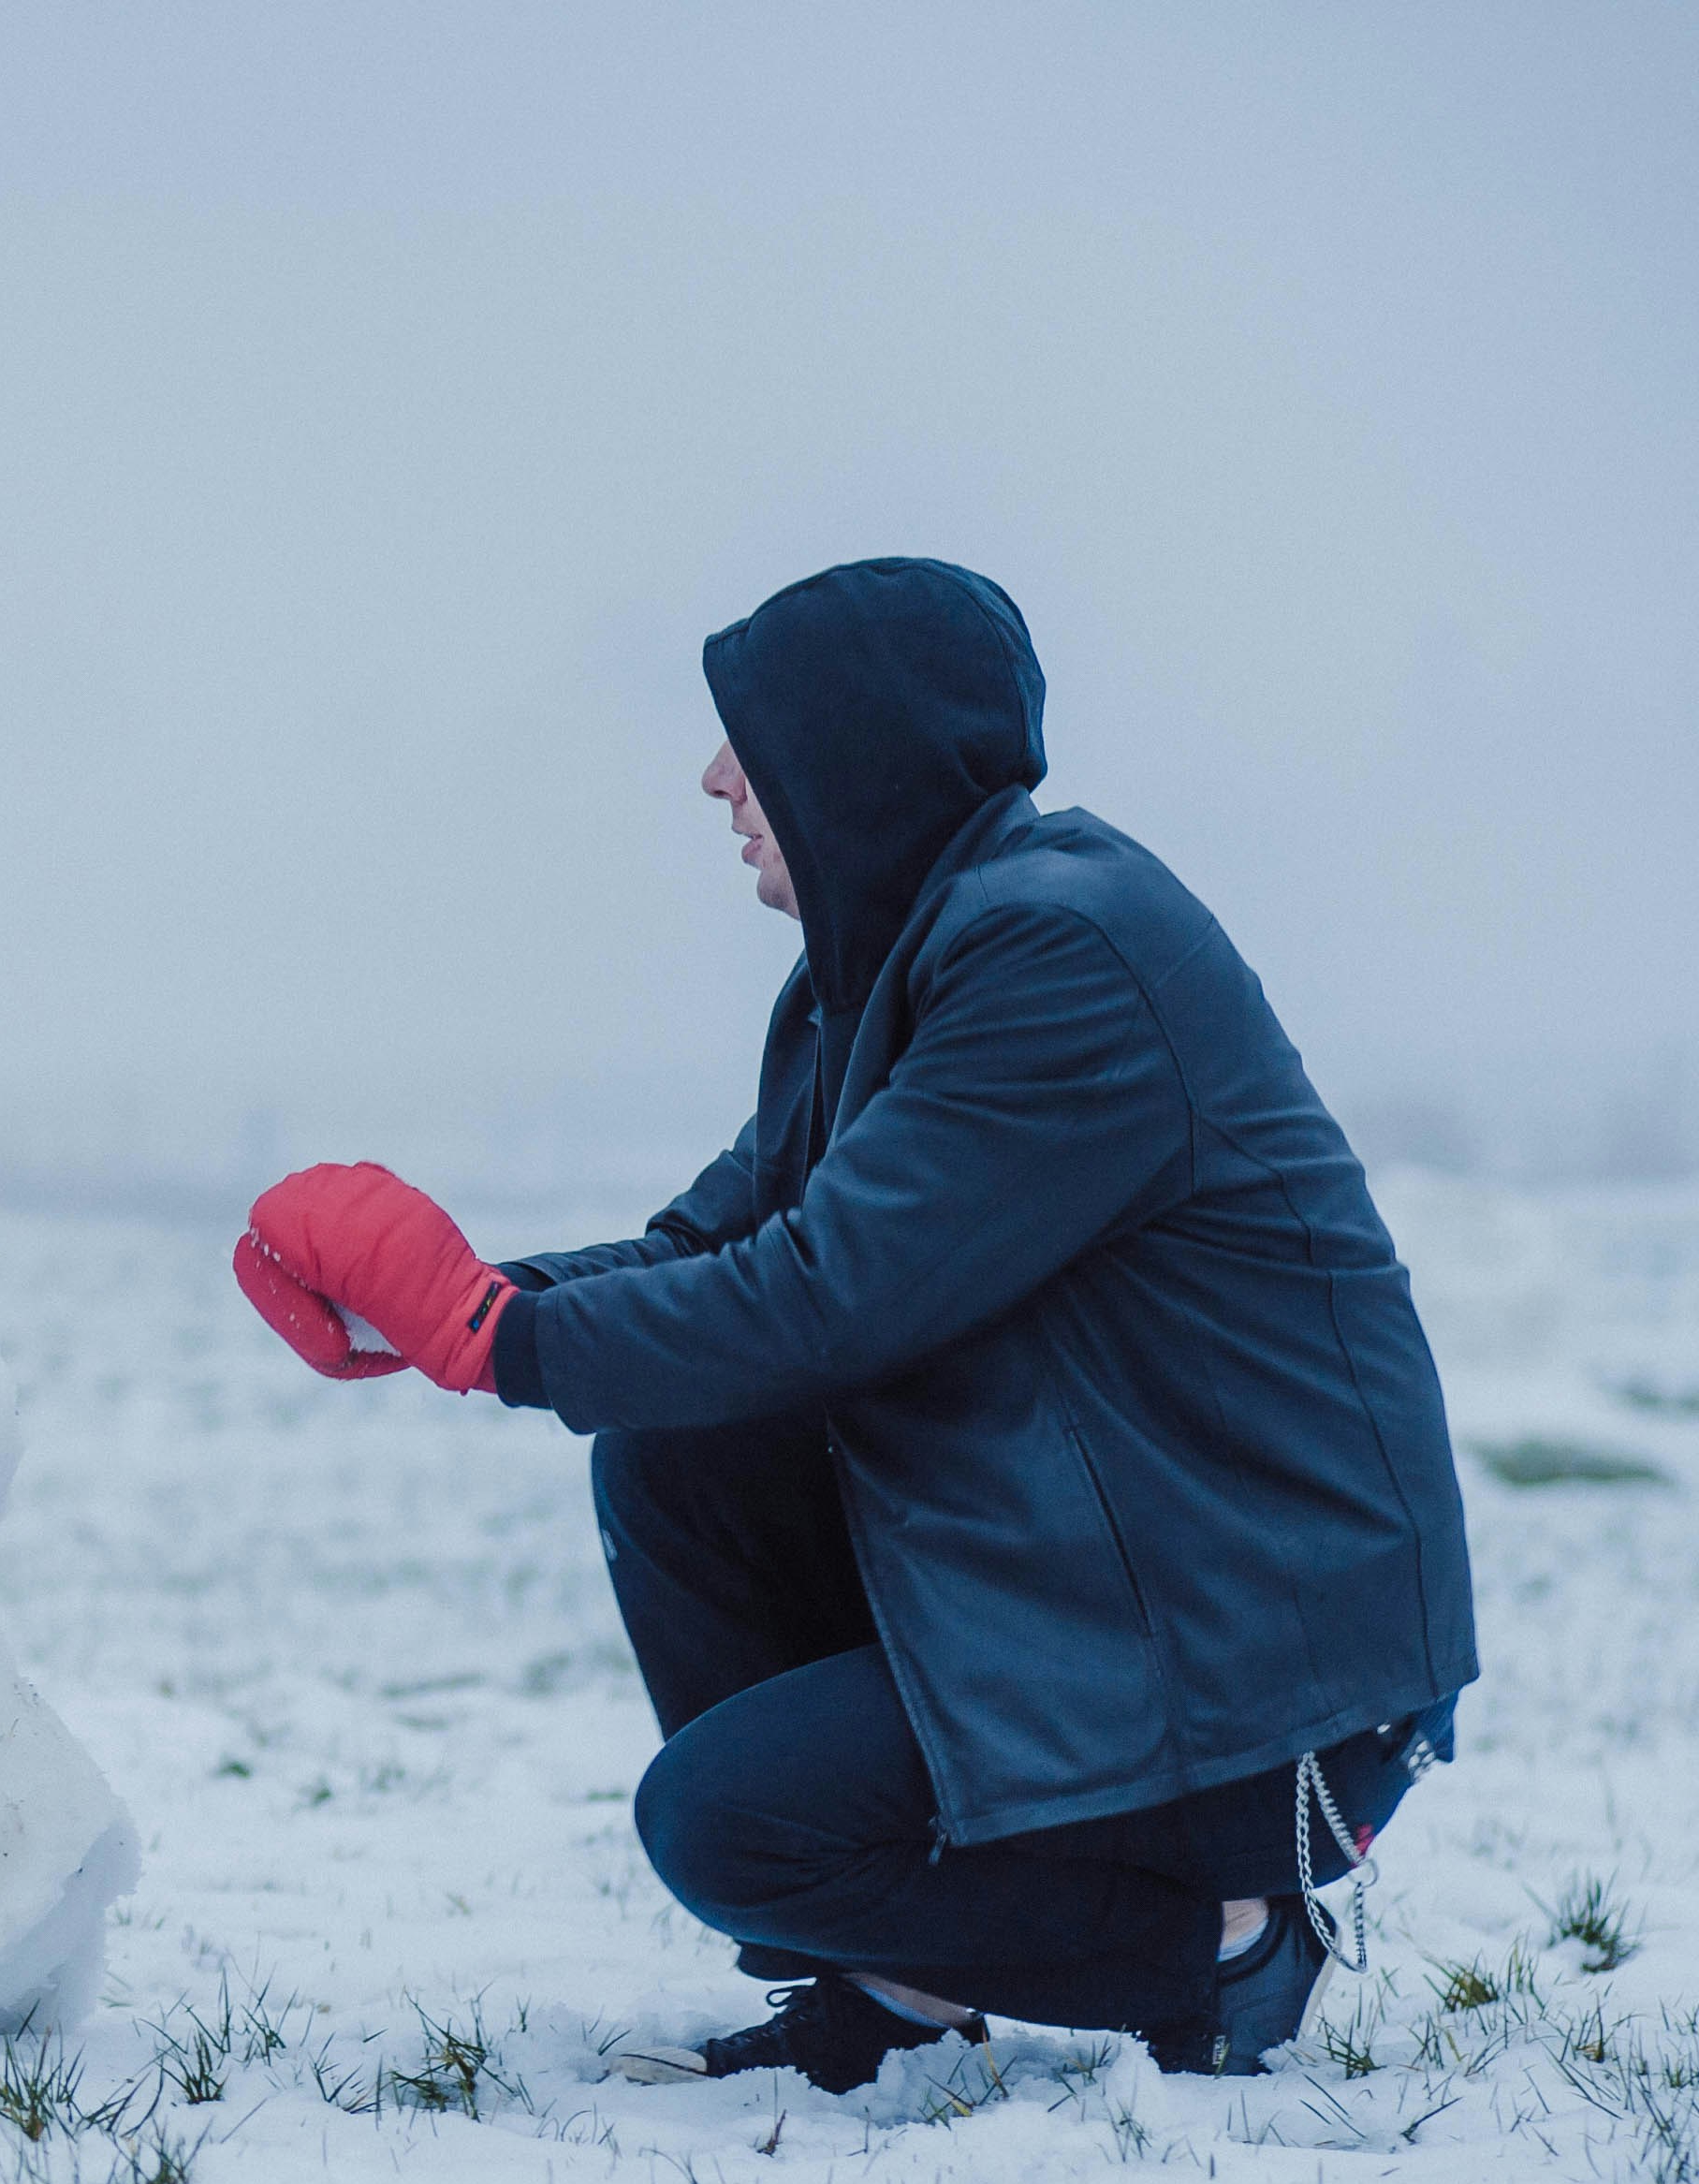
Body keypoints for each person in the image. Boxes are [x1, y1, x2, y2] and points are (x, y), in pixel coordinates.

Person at [234, 558, 1475, 2089]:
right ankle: (899, 1990)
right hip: (1114, 1585)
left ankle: (1227, 1948)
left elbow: (825, 1296)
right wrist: (452, 1305)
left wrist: (497, 1336)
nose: (711, 782)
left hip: (1272, 1678)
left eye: (745, 742)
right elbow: (710, 1248)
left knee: (724, 1824)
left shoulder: (1062, 952)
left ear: (852, 748)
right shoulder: (874, 982)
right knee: (676, 1452)